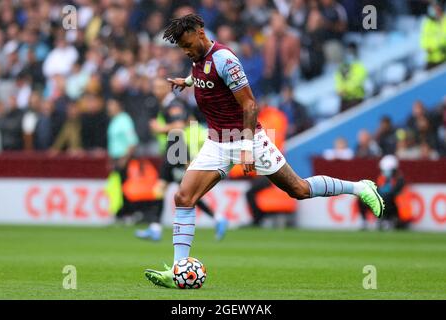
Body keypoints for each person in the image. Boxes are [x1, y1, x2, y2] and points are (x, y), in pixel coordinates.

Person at [143, 14, 385, 288]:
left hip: (249, 139)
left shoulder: (226, 59)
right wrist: (187, 82)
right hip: (217, 142)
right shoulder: (198, 58)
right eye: (182, 48)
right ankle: (178, 270)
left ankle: (360, 187)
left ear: (200, 33)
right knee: (183, 196)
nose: (186, 51)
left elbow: (249, 105)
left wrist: (246, 148)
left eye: (187, 44)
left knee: (299, 190)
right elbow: (206, 76)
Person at [135, 78, 228, 241]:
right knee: (167, 189)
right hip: (173, 150)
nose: (156, 91)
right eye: (154, 87)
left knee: (180, 192)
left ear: (167, 89)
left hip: (178, 150)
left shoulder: (173, 105)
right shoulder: (166, 105)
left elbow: (179, 126)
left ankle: (218, 218)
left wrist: (160, 129)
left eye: (159, 87)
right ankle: (155, 228)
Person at [106, 98, 139, 222]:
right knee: (117, 187)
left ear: (119, 106)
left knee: (126, 186)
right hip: (116, 158)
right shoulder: (114, 121)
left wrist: (125, 158)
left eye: (112, 105)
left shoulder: (125, 120)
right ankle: (120, 213)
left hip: (124, 158)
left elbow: (132, 142)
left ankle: (129, 213)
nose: (109, 108)